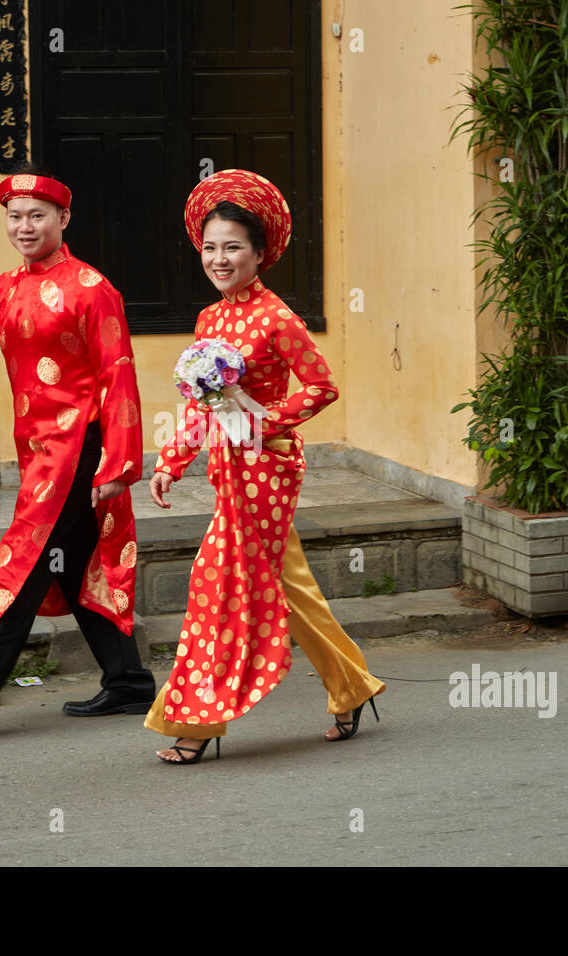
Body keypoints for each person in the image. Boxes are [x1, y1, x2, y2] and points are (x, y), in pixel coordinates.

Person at [0, 168, 155, 734]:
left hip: (79, 450)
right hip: (41, 454)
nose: (24, 226)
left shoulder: (92, 289)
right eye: (14, 216)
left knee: (25, 559)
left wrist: (118, 463)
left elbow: (119, 377)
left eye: (37, 215)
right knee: (78, 563)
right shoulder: (12, 287)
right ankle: (129, 683)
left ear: (64, 220)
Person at [144, 169, 384, 764]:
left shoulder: (277, 318)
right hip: (230, 468)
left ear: (258, 253)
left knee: (216, 581)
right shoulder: (209, 320)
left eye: (233, 248)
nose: (220, 259)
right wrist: (172, 458)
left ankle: (199, 719)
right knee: (288, 585)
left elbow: (321, 387)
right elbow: (202, 402)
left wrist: (263, 422)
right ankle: (352, 687)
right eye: (211, 248)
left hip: (269, 471)